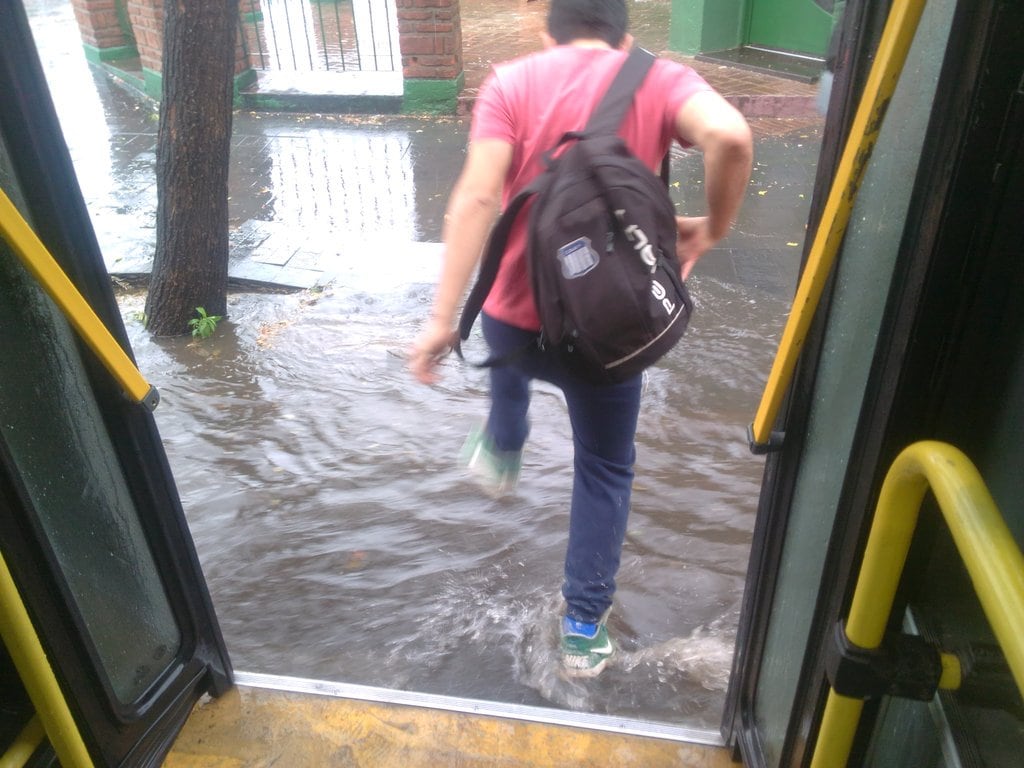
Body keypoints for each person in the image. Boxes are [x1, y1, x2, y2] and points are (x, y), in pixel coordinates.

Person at [409, 0, 752, 678]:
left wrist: (441, 319)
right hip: (606, 325)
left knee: (505, 367)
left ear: (547, 30)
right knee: (603, 466)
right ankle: (583, 633)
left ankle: (503, 446)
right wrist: (712, 227)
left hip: (515, 312)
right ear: (623, 31)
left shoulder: (511, 82)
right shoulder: (657, 78)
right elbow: (733, 138)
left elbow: (478, 198)